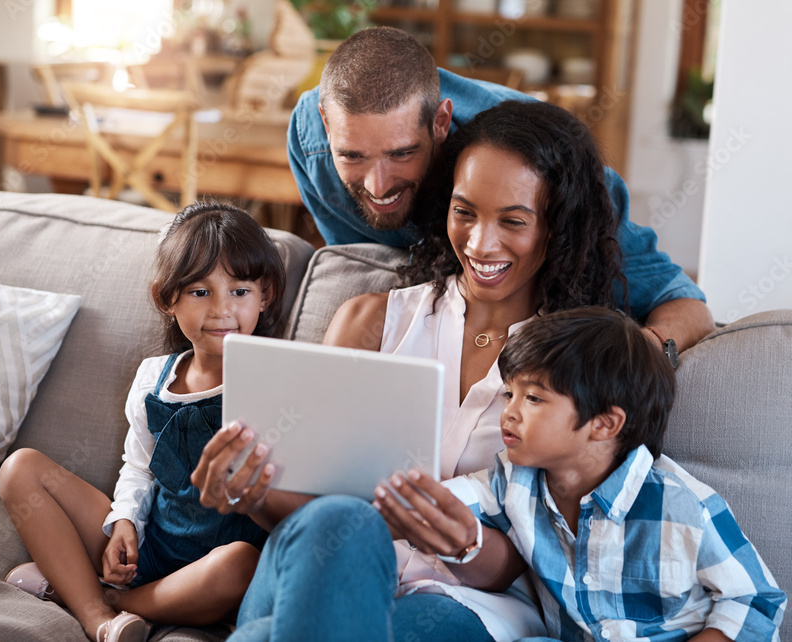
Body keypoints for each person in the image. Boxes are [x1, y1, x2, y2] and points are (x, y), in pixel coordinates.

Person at [192, 99, 639, 640]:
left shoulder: (582, 369)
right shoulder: (369, 322)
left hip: (466, 604)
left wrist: (461, 542)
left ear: (557, 230)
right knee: (344, 520)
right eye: (465, 211)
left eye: (513, 222)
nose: (479, 243)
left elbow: (541, 558)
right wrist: (252, 490)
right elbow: (310, 519)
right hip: (321, 571)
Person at [288, 26, 715, 352]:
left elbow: (682, 302)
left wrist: (640, 356)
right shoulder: (313, 146)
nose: (377, 186)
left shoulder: (547, 171)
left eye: (402, 153)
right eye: (353, 156)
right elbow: (365, 262)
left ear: (440, 123)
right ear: (328, 125)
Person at [377, 306, 786, 641]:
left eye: (533, 398)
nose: (510, 412)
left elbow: (757, 599)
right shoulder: (513, 481)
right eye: (509, 394)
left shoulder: (682, 505)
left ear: (604, 424)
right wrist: (405, 505)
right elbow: (449, 501)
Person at [0, 202, 287, 642]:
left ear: (264, 296)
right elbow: (139, 468)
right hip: (150, 548)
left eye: (239, 291)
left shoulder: (274, 382)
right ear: (166, 298)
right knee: (20, 469)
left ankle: (103, 600)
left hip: (213, 570)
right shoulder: (154, 376)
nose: (221, 310)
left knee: (242, 563)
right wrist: (125, 524)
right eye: (200, 292)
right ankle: (100, 621)